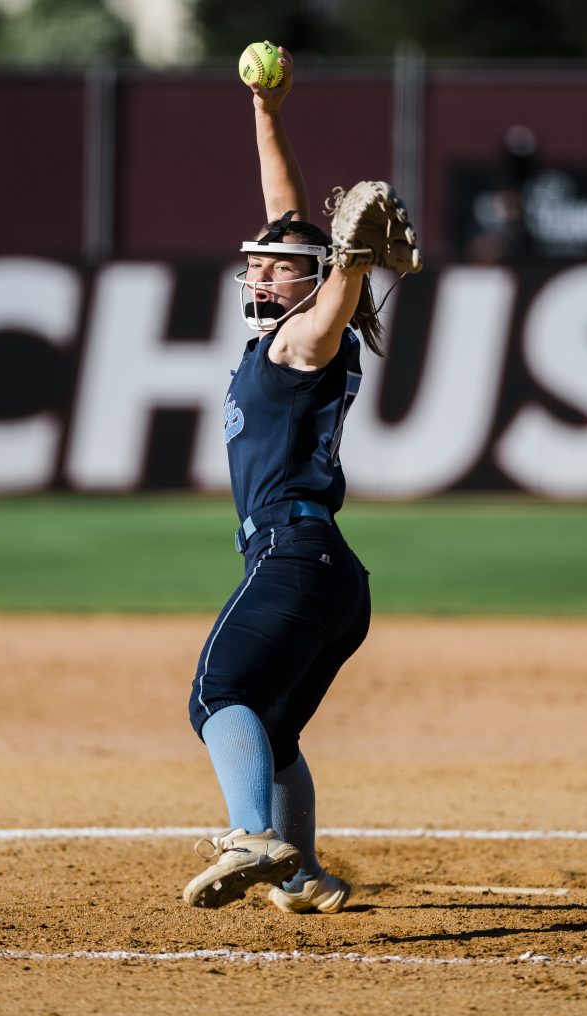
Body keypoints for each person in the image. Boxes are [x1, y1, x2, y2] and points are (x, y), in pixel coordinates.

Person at [184, 44, 384, 914]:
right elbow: (292, 218)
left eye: (275, 264)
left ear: (310, 286)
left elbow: (329, 290)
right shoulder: (299, 325)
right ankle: (302, 873)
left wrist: (356, 263)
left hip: (293, 555)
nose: (259, 265)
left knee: (220, 694)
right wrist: (267, 111)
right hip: (336, 576)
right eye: (257, 257)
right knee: (272, 726)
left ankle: (252, 837)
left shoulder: (306, 339)